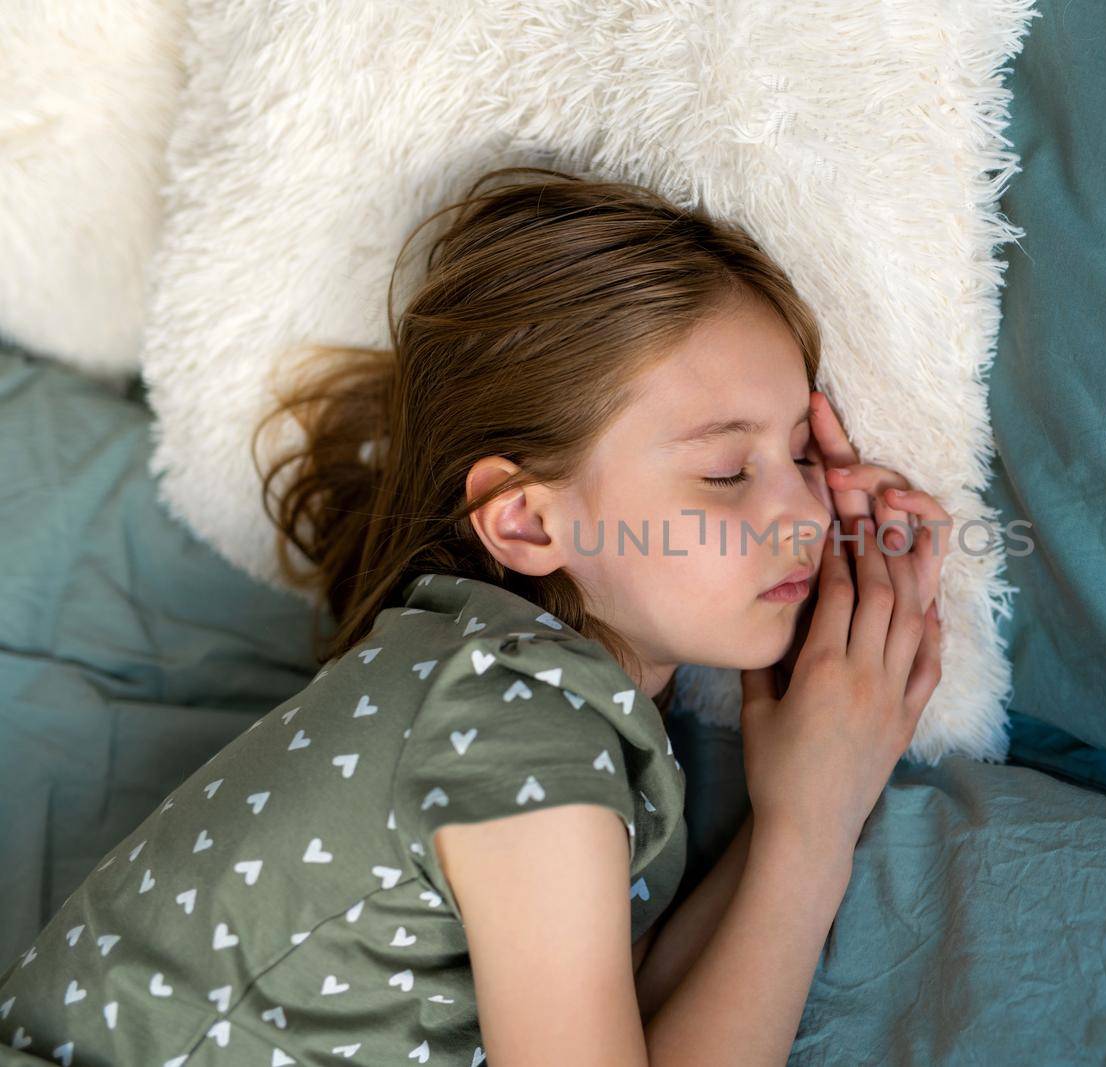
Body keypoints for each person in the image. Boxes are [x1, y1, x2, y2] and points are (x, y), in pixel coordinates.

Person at [0, 165, 948, 1066]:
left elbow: (641, 1020)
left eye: (804, 454)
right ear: (530, 518)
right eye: (726, 471)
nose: (806, 511)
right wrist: (813, 823)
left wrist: (805, 803)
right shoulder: (515, 715)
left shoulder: (529, 699)